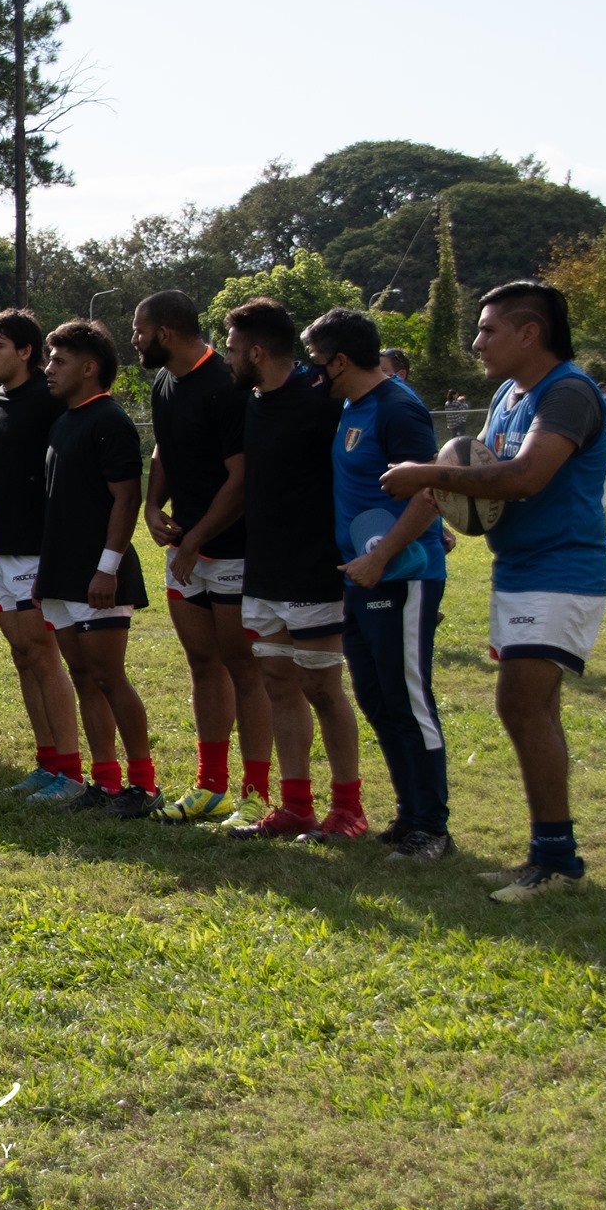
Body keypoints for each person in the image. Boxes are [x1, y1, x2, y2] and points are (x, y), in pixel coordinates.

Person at [380, 282, 606, 902]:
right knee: (528, 708)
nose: (477, 343)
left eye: (487, 330)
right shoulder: (510, 394)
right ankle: (549, 853)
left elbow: (526, 476)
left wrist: (426, 474)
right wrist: (439, 507)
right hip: (520, 568)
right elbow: (477, 475)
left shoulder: (566, 392)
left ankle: (556, 860)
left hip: (561, 570)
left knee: (523, 706)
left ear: (529, 333)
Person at [304, 307, 451, 863]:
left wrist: (383, 555)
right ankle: (411, 815)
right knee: (377, 697)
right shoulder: (351, 405)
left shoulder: (397, 407)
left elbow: (430, 491)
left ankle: (433, 828)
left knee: (408, 700)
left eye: (317, 360)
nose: (313, 371)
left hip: (403, 575)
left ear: (341, 360)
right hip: (362, 575)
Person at [220, 299, 364, 840]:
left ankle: (348, 808)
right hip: (263, 569)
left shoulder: (324, 402)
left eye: (232, 349)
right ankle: (296, 805)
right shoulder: (250, 404)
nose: (228, 359)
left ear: (257, 352)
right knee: (278, 683)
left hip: (315, 570)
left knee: (322, 687)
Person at [130, 290, 272, 827]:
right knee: (202, 664)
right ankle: (211, 787)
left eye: (140, 331)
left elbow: (242, 479)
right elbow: (164, 450)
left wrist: (195, 541)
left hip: (233, 549)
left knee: (244, 668)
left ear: (165, 333)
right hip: (186, 550)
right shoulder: (164, 382)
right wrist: (152, 505)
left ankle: (256, 793)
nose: (135, 340)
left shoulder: (225, 385)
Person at [32, 319, 158, 814]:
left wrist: (108, 568)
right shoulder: (64, 421)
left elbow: (127, 499)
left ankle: (143, 785)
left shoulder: (110, 420)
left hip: (99, 575)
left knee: (109, 676)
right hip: (63, 575)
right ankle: (104, 781)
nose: (49, 368)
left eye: (58, 360)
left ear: (89, 368)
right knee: (83, 676)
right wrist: (47, 573)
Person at [0, 310, 81, 798]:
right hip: (1, 545)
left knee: (42, 655)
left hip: (37, 547)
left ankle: (71, 771)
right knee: (22, 656)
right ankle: (46, 761)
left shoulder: (50, 398)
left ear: (25, 351)